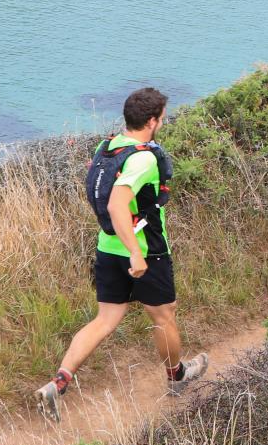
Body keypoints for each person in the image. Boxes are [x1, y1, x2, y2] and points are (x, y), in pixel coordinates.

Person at [36, 86, 208, 419]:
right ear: (153, 121)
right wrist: (136, 254)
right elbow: (117, 204)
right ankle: (177, 376)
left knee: (106, 319)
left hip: (107, 246)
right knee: (164, 315)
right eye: (163, 117)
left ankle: (57, 384)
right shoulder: (143, 158)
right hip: (144, 251)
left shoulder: (110, 146)